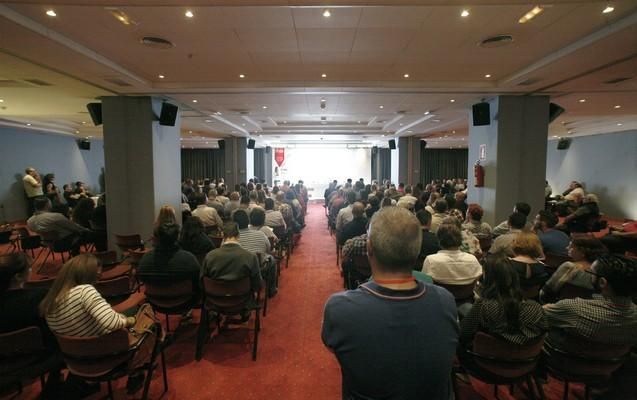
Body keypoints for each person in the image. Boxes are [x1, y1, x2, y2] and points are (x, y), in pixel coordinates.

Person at [322, 207, 458, 400]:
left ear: (369, 248)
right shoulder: (446, 301)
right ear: (417, 249)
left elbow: (335, 348)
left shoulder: (339, 308)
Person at [41, 254, 157, 394]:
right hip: (108, 356)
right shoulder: (85, 291)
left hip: (77, 362)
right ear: (85, 273)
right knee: (145, 316)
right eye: (96, 274)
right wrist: (129, 321)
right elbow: (113, 323)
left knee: (129, 311)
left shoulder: (50, 301)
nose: (99, 276)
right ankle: (136, 371)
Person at [543, 254, 637, 348]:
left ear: (602, 282)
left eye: (591, 273)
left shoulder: (574, 308)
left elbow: (540, 316)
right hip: (616, 361)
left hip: (563, 359)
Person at [459, 254, 547, 347]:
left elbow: (464, 333)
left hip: (488, 356)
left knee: (463, 308)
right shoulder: (536, 308)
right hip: (526, 359)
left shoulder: (483, 306)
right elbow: (543, 331)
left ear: (488, 281)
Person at [201, 222, 263, 297]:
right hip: (243, 300)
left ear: (223, 236)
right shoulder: (251, 257)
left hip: (215, 299)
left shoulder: (210, 256)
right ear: (238, 236)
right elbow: (257, 284)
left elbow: (202, 281)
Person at [540, 238, 608, 303]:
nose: (567, 248)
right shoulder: (603, 270)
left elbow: (547, 290)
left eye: (571, 247)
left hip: (562, 307)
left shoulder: (570, 267)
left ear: (582, 252)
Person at [138, 223, 201, 290]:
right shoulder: (190, 259)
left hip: (153, 299)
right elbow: (196, 282)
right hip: (183, 298)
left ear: (156, 238)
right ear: (177, 237)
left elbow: (142, 279)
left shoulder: (144, 260)